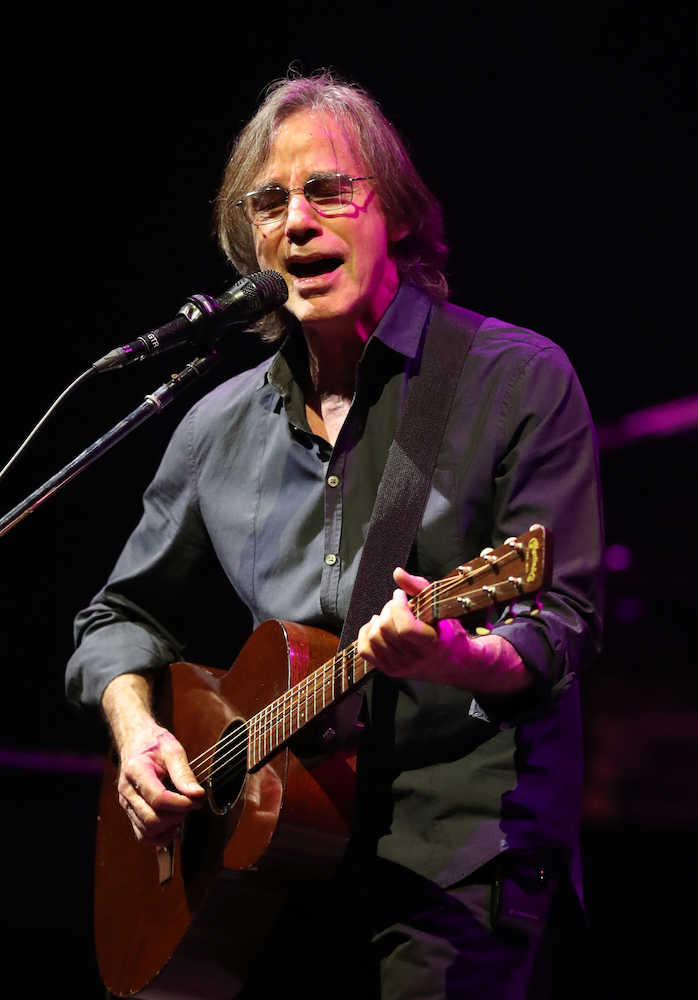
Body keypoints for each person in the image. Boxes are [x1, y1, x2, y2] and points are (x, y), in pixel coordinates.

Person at [66, 71, 604, 999]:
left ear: (395, 212)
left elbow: (563, 620)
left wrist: (455, 657)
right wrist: (138, 729)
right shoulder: (216, 426)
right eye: (270, 203)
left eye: (327, 191)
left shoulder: (514, 379)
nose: (298, 222)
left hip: (455, 857)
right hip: (275, 872)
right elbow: (116, 618)